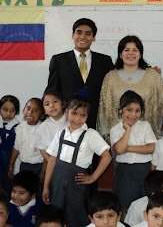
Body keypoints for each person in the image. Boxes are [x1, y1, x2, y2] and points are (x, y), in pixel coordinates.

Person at [43, 93, 111, 227]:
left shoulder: (91, 135)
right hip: (57, 184)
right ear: (67, 112)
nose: (78, 119)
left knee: (75, 217)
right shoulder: (61, 133)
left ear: (87, 116)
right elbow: (52, 160)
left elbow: (107, 156)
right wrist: (46, 186)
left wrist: (92, 178)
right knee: (57, 216)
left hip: (76, 186)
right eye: (74, 113)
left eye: (83, 115)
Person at [97, 35, 163, 138]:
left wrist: (160, 132)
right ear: (120, 54)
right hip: (118, 138)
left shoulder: (153, 76)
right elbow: (103, 110)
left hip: (147, 138)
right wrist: (107, 136)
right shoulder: (110, 77)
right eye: (126, 50)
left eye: (135, 50)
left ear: (140, 54)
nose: (130, 53)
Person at [46, 18, 114, 130]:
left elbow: (120, 74)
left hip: (96, 121)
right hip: (67, 121)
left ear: (94, 38)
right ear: (73, 35)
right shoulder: (59, 60)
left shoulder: (105, 61)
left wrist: (146, 68)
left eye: (88, 34)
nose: (83, 37)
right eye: (79, 32)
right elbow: (52, 91)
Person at [111, 91, 157, 216]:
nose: (133, 114)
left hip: (144, 170)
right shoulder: (115, 129)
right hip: (125, 172)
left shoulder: (145, 125)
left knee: (145, 206)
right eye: (129, 110)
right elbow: (119, 150)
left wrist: (128, 148)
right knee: (124, 206)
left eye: (137, 110)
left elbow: (151, 148)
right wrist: (128, 130)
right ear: (120, 110)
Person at [8, 98, 45, 185]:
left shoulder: (43, 129)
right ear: (23, 110)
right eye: (28, 108)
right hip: (24, 166)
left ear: (42, 115)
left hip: (39, 166)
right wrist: (11, 164)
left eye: (35, 110)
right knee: (25, 191)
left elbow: (47, 153)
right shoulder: (19, 128)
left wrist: (43, 171)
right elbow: (17, 147)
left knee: (38, 191)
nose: (30, 112)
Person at [0, 95, 20, 192]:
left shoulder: (18, 128)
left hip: (10, 159)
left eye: (12, 110)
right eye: (5, 110)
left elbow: (17, 149)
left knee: (8, 185)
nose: (8, 114)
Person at [36, 90, 68, 164]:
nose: (51, 105)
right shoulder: (42, 127)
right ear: (44, 111)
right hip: (52, 164)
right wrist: (53, 163)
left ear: (63, 104)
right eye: (47, 104)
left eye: (55, 101)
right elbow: (42, 149)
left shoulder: (72, 122)